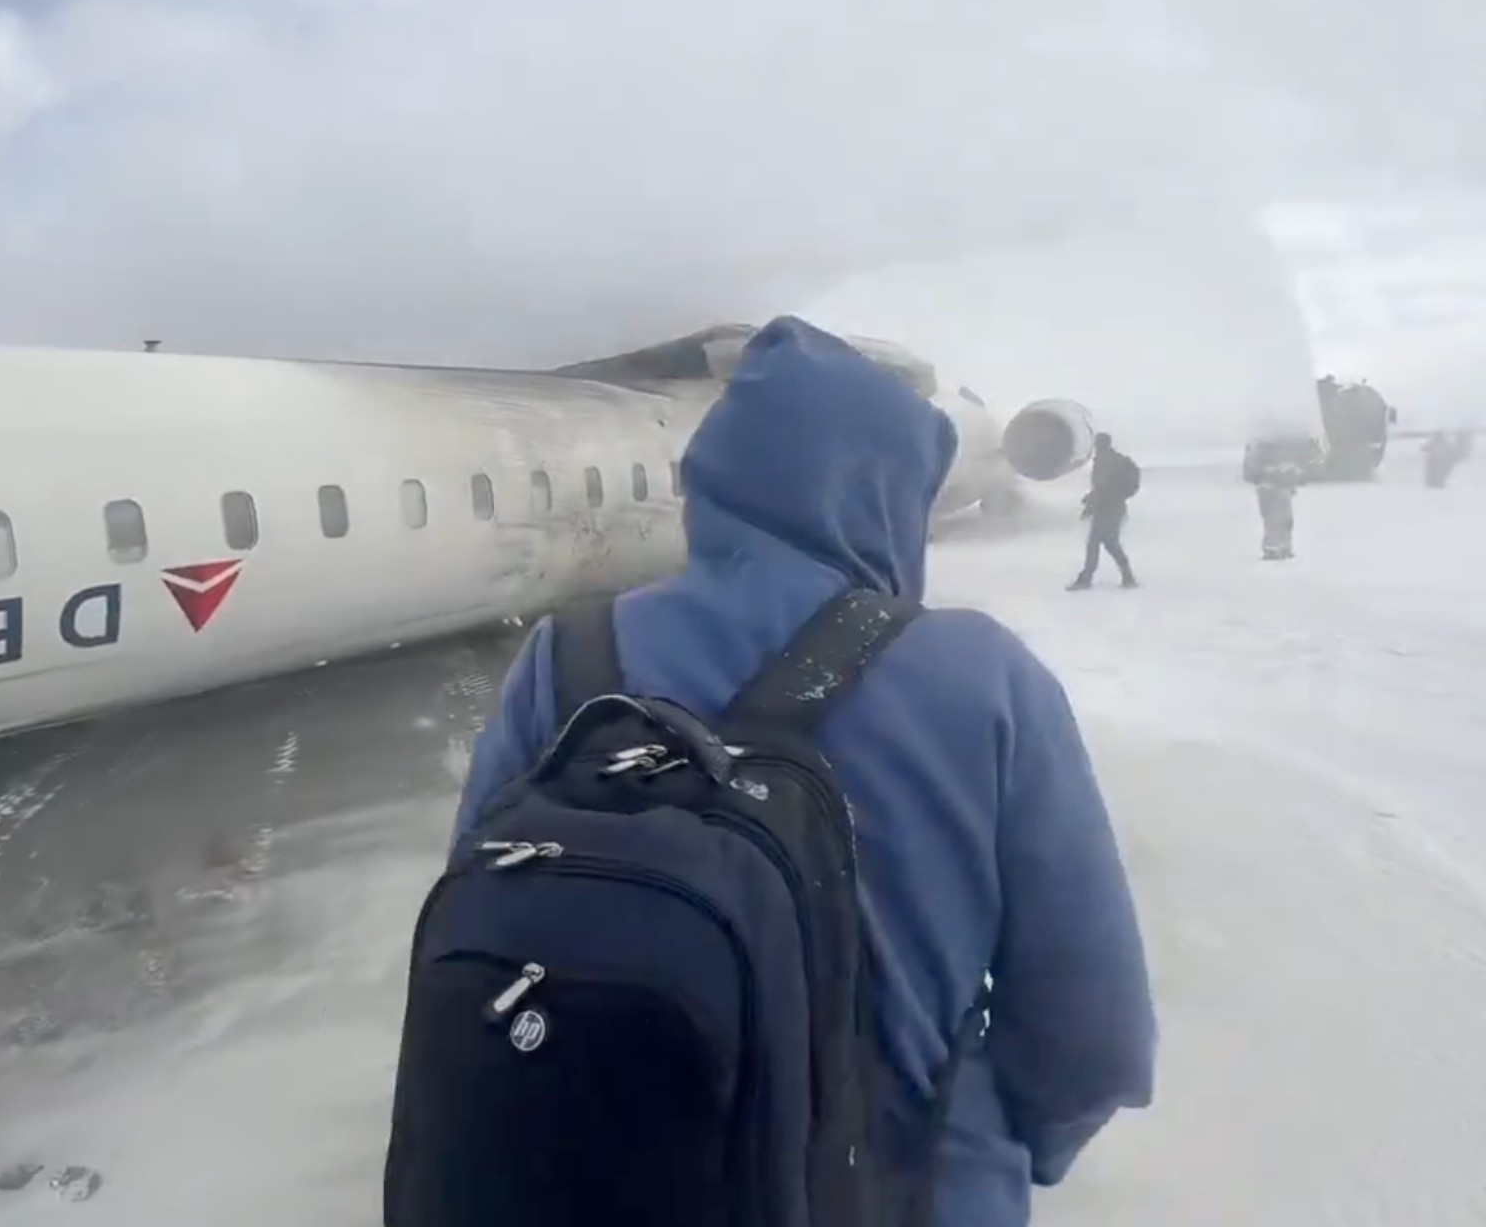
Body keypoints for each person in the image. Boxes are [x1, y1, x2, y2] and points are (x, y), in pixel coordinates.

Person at [452, 316, 1157, 1227]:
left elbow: (486, 913)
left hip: (612, 1181)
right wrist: (993, 1148)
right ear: (887, 492)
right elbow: (1093, 1038)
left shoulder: (567, 661)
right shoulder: (985, 680)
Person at [1068, 433, 1140, 590]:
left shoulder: (1106, 462)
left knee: (1102, 544)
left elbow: (1102, 488)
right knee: (1107, 544)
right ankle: (1126, 576)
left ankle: (1087, 579)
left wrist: (1089, 506)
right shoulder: (1113, 460)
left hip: (1107, 509)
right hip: (1113, 508)